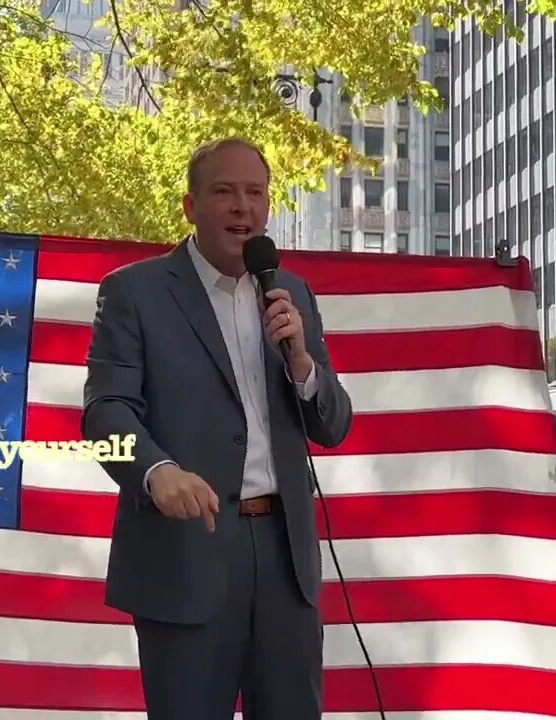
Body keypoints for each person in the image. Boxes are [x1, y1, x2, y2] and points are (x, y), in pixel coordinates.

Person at [81, 137, 354, 719]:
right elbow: (106, 411)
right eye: (224, 192)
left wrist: (303, 362)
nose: (242, 208)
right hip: (185, 553)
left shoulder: (292, 293)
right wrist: (157, 472)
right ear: (190, 206)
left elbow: (332, 426)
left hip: (285, 559)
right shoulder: (135, 291)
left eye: (255, 193)